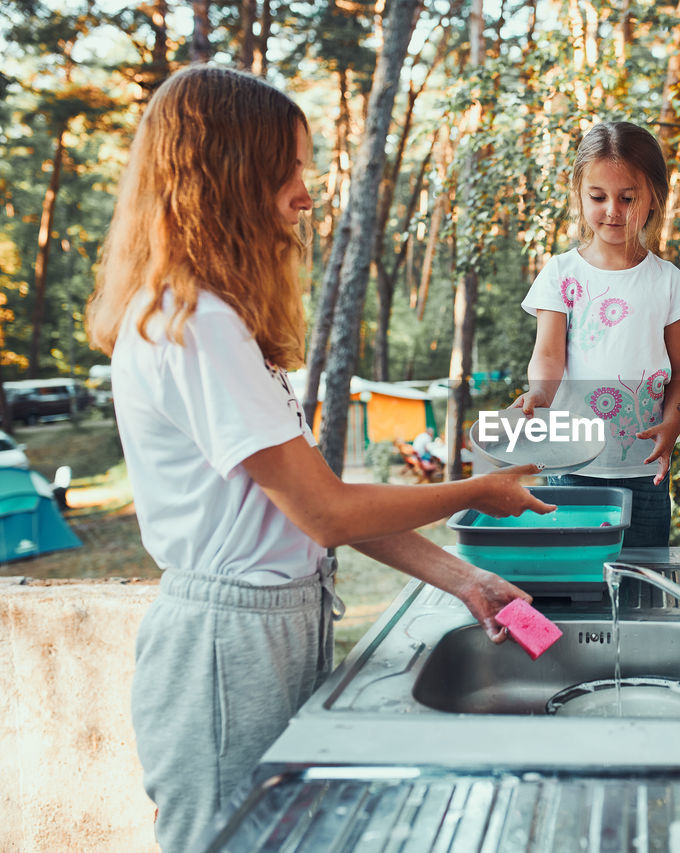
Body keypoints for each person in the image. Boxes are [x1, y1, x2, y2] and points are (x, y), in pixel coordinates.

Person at [84, 65, 554, 852]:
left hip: (262, 631)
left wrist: (467, 579)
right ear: (230, 171)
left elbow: (306, 506)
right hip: (225, 649)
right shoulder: (192, 321)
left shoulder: (215, 317)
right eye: (291, 167)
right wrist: (480, 489)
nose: (307, 192)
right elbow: (326, 510)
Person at [512, 121, 680, 547]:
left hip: (644, 471)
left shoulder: (668, 281)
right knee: (573, 579)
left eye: (627, 198)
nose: (613, 210)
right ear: (579, 194)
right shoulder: (560, 273)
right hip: (569, 467)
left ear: (653, 197)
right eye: (598, 197)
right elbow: (548, 355)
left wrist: (672, 424)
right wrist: (539, 392)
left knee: (641, 582)